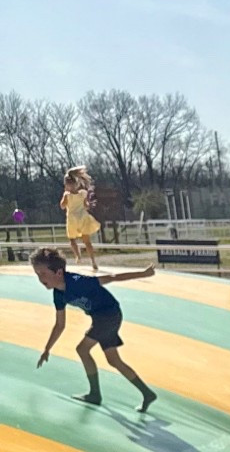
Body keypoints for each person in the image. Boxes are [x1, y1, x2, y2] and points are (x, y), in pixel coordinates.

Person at [32, 248, 158, 411]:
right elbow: (60, 324)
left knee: (82, 349)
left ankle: (95, 394)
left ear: (59, 272)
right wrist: (47, 349)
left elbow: (112, 278)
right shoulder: (58, 294)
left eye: (43, 273)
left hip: (109, 315)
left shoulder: (78, 281)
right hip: (103, 318)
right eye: (37, 274)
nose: (40, 278)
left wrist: (144, 273)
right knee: (114, 360)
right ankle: (147, 394)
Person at [60, 167, 101, 272]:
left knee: (73, 239)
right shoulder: (82, 193)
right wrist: (88, 204)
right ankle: (91, 260)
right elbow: (86, 206)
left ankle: (80, 256)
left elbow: (62, 206)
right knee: (85, 241)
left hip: (73, 219)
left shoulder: (69, 195)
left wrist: (65, 197)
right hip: (81, 218)